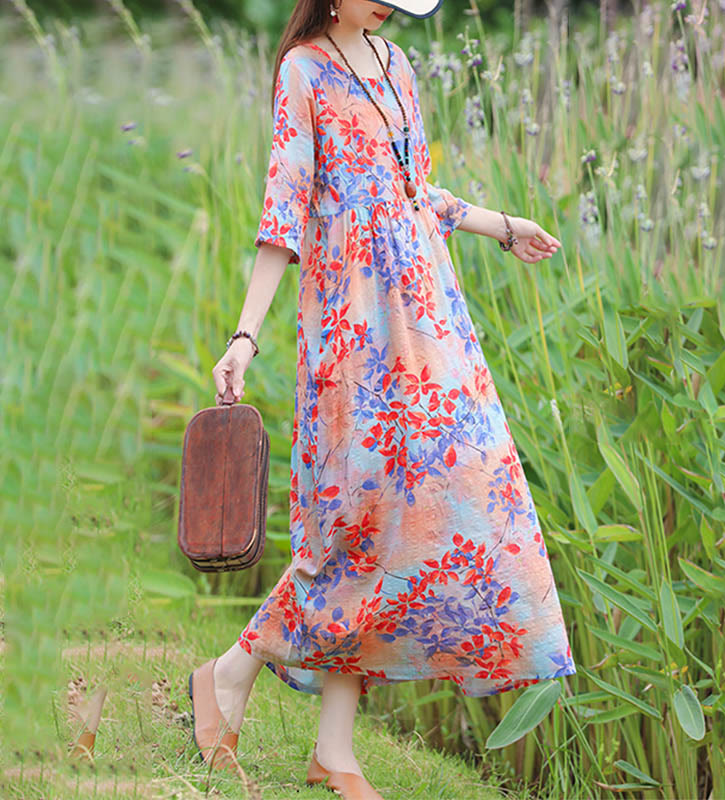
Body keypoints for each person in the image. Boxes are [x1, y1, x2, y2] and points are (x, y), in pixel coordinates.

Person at [188, 1, 574, 797]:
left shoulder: (398, 67)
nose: (389, 6)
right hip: (351, 324)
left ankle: (306, 730)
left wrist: (503, 224)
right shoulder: (304, 71)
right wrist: (244, 335)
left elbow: (412, 190)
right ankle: (264, 695)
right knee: (359, 515)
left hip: (430, 314)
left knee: (448, 495)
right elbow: (285, 206)